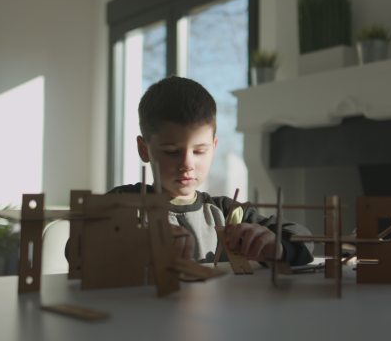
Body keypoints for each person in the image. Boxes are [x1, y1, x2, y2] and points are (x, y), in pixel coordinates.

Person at [116, 76, 313, 266]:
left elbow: (304, 238)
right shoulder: (121, 204)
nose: (187, 164)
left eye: (200, 151)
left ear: (214, 146)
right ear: (144, 149)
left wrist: (276, 246)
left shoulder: (227, 213)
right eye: (172, 151)